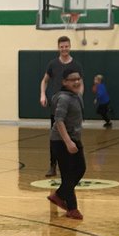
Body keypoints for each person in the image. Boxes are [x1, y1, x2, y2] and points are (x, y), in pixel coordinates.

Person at [48, 66, 86, 219]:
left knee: (81, 169)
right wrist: (68, 142)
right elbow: (58, 120)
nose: (76, 82)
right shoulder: (63, 98)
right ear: (64, 82)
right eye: (72, 80)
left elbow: (80, 87)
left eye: (78, 79)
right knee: (68, 175)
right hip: (61, 140)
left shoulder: (76, 95)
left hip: (74, 138)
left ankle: (58, 195)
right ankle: (72, 209)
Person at [40, 36, 80, 176]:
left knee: (72, 136)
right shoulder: (52, 64)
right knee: (55, 138)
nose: (64, 49)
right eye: (62, 47)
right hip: (56, 106)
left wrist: (79, 100)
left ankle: (72, 165)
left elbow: (80, 84)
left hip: (71, 108)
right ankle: (53, 166)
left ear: (70, 47)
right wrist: (43, 95)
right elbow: (44, 81)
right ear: (58, 48)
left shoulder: (75, 65)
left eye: (66, 46)